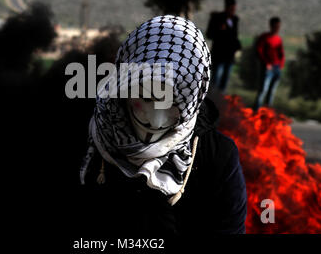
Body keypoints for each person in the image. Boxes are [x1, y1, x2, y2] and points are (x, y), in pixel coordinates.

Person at [77, 15, 247, 236]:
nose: (156, 120)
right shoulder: (86, 137)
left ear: (194, 98)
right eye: (146, 98)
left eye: (174, 104)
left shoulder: (217, 157)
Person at [206, 0, 242, 93]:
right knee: (215, 81)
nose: (233, 11)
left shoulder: (235, 20)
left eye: (234, 9)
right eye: (231, 9)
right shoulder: (216, 18)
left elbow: (234, 36)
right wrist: (219, 30)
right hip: (219, 56)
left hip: (229, 56)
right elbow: (209, 34)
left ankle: (219, 102)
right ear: (226, 7)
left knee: (224, 83)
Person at [254, 17, 285, 110]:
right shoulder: (264, 37)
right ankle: (257, 110)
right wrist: (266, 63)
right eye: (276, 26)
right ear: (271, 26)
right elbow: (259, 51)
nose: (277, 28)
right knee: (263, 90)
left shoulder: (278, 39)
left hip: (277, 68)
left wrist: (281, 65)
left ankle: (267, 112)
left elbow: (281, 53)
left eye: (278, 26)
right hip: (267, 67)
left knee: (272, 92)